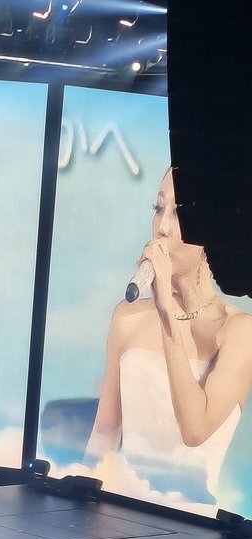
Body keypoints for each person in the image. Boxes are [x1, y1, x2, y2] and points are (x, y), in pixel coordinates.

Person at [86, 168, 252, 512]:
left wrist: (167, 314)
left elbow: (194, 429)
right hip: (118, 516)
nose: (162, 227)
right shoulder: (128, 317)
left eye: (178, 213)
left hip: (191, 527)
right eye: (158, 208)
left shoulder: (239, 331)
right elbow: (103, 435)